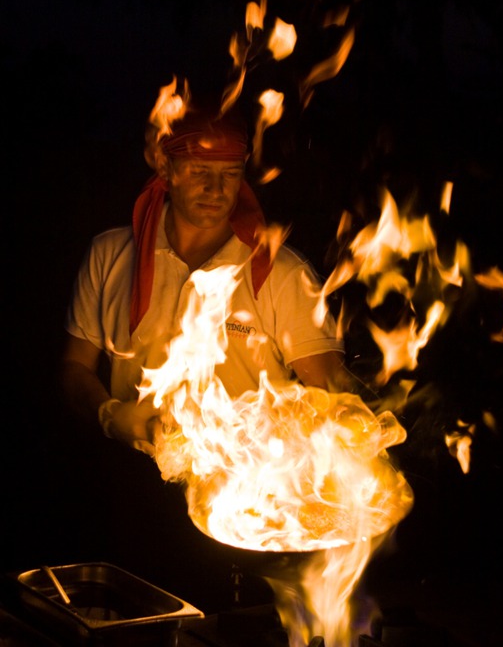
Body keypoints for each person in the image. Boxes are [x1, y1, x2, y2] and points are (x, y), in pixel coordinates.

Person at [57, 92, 358, 611]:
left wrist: (348, 446)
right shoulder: (109, 255)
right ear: (165, 167)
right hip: (127, 492)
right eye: (199, 170)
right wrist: (114, 416)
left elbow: (332, 391)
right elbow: (73, 369)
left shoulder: (279, 274)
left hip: (236, 500)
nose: (216, 189)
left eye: (231, 173)